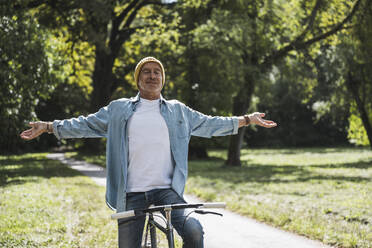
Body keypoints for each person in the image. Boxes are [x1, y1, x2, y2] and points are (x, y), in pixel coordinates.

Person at [20, 56, 277, 248]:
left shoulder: (178, 111)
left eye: (157, 72)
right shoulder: (119, 109)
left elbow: (211, 124)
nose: (152, 76)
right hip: (131, 192)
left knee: (195, 231)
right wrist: (49, 127)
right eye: (146, 72)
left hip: (167, 191)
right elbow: (85, 124)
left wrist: (246, 119)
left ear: (163, 79)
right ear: (138, 79)